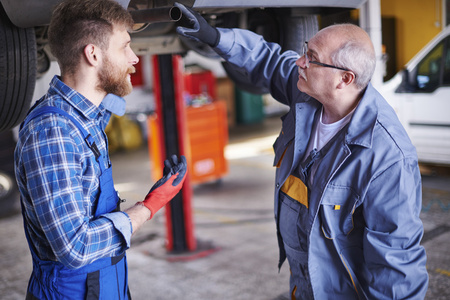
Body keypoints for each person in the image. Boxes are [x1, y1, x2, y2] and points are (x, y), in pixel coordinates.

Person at [175, 3, 428, 299]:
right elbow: (269, 60)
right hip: (303, 282)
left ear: (344, 79)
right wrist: (214, 36)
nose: (300, 62)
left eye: (312, 58)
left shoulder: (388, 156)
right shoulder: (307, 95)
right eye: (306, 51)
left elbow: (396, 267)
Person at [14, 0, 187, 299]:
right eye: (125, 47)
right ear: (92, 54)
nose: (134, 58)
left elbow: (108, 103)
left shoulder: (86, 118)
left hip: (105, 286)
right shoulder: (53, 133)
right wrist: (147, 209)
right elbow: (74, 248)